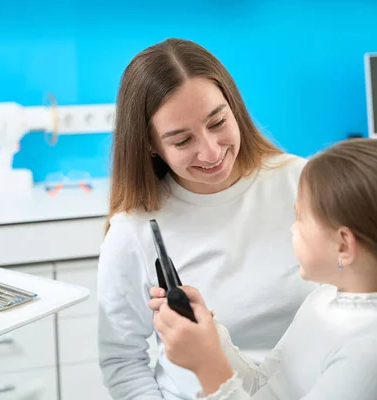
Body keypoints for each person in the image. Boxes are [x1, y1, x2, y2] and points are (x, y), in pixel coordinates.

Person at [97, 38, 317, 400]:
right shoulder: (133, 230)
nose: (211, 151)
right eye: (182, 141)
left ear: (235, 108)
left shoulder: (302, 182)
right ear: (150, 144)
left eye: (218, 122)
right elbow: (123, 362)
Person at [149, 138, 377, 399]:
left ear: (343, 245)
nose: (293, 229)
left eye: (300, 217)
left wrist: (206, 365)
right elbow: (263, 388)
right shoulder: (324, 299)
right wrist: (209, 335)